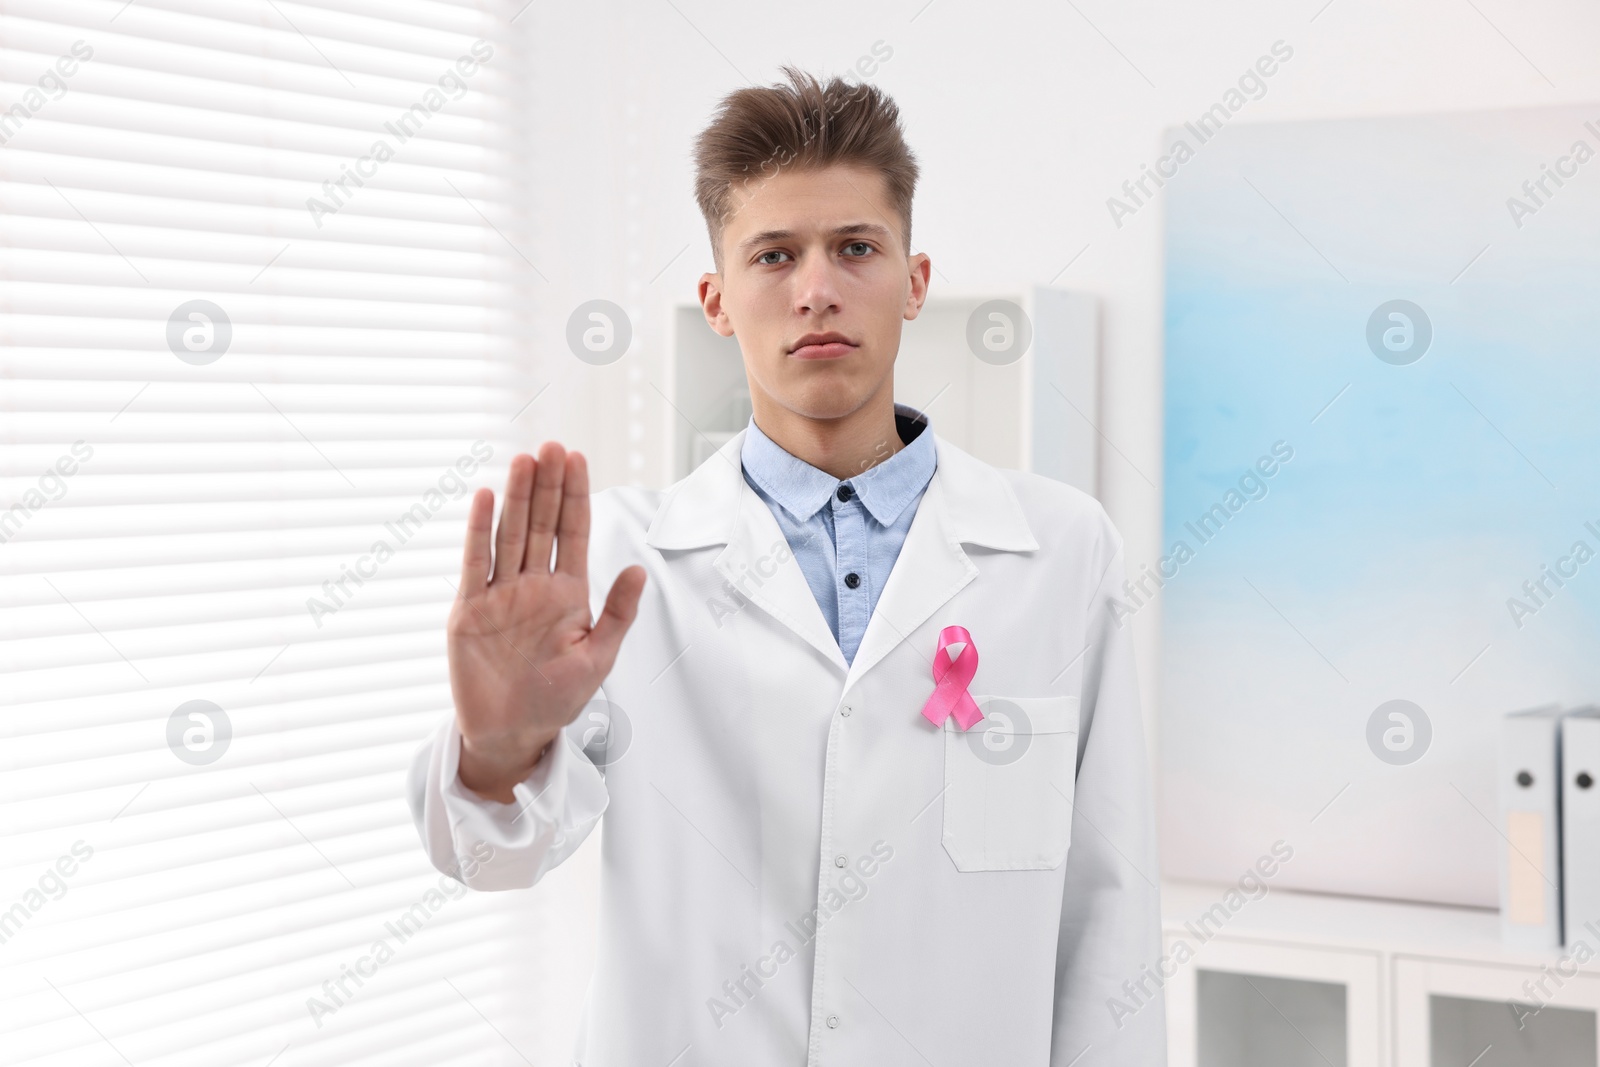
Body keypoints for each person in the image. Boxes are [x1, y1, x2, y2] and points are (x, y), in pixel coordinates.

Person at [408, 67, 1164, 1065]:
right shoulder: (622, 571)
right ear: (718, 300)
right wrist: (495, 747)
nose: (816, 289)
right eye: (774, 254)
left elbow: (1107, 917)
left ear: (915, 279)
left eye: (856, 247)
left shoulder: (1060, 550)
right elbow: (495, 860)